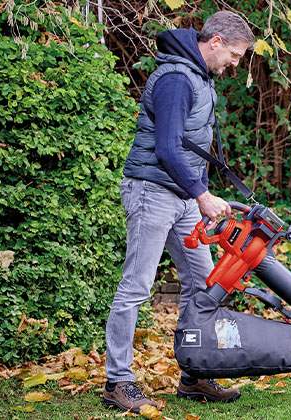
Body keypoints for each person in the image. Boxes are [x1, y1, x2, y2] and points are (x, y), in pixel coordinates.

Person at [102, 11, 254, 412]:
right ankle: (117, 380)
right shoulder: (175, 79)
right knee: (135, 287)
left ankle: (195, 374)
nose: (235, 65)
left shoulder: (199, 77)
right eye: (235, 55)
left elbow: (187, 147)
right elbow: (168, 148)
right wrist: (202, 195)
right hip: (153, 191)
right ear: (216, 41)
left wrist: (196, 193)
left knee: (203, 285)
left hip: (181, 196)